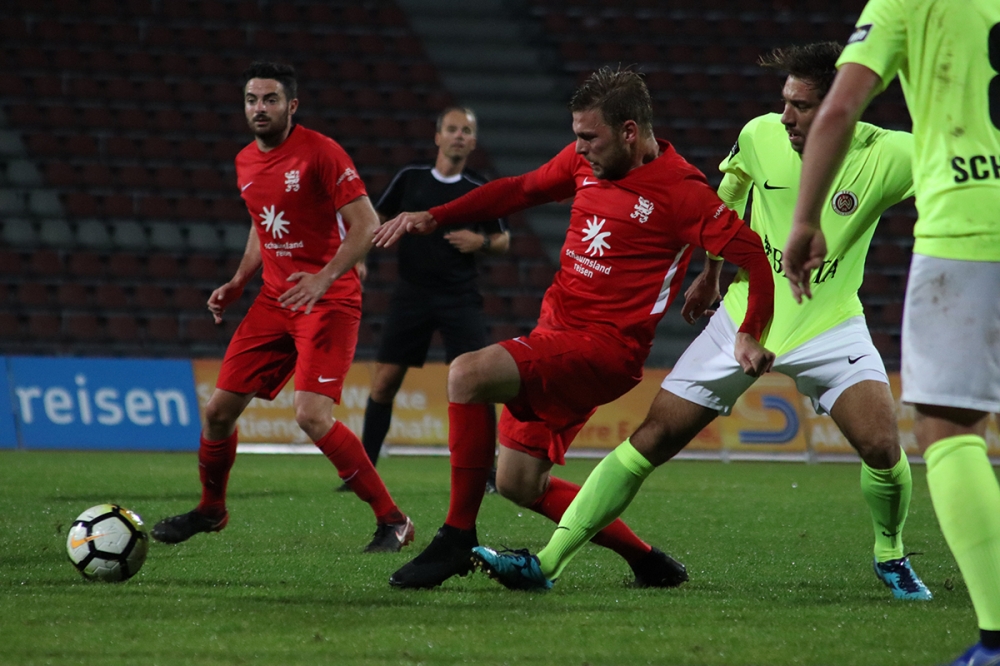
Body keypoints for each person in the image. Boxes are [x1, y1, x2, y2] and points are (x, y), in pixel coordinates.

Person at [471, 42, 932, 601]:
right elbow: (731, 191)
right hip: (742, 316)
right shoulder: (760, 135)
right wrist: (712, 272)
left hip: (830, 322)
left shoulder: (891, 154)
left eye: (802, 105)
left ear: (841, 105)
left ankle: (890, 554)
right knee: (651, 439)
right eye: (784, 102)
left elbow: (960, 175)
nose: (785, 116)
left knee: (882, 446)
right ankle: (546, 564)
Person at [374, 66, 776, 589]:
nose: (580, 148)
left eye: (589, 136)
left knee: (467, 374)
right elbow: (520, 189)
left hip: (605, 349)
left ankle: (456, 536)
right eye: (577, 136)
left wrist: (749, 329)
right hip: (555, 333)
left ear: (629, 131)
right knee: (519, 482)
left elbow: (757, 257)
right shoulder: (586, 163)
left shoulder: (681, 191)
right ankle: (646, 561)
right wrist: (436, 216)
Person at [782, 3, 1000, 663]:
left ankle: (996, 640)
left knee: (950, 431)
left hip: (970, 221)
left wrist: (805, 220)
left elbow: (841, 108)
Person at [151, 61, 415, 554]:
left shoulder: (322, 153)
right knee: (218, 412)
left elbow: (366, 224)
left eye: (270, 99)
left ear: (291, 106)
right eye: (252, 100)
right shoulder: (244, 162)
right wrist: (238, 281)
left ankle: (394, 521)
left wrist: (324, 277)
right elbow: (263, 223)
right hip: (275, 300)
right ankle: (211, 509)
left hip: (328, 300)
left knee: (311, 415)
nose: (260, 108)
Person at [352, 106, 509, 481]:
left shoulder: (479, 187)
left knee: (478, 381)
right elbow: (375, 219)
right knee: (385, 381)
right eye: (452, 129)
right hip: (412, 294)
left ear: (473, 142)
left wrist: (481, 242)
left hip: (460, 296)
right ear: (438, 136)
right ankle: (362, 472)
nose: (458, 136)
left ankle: (487, 474)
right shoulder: (411, 178)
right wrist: (359, 257)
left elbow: (503, 239)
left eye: (465, 131)